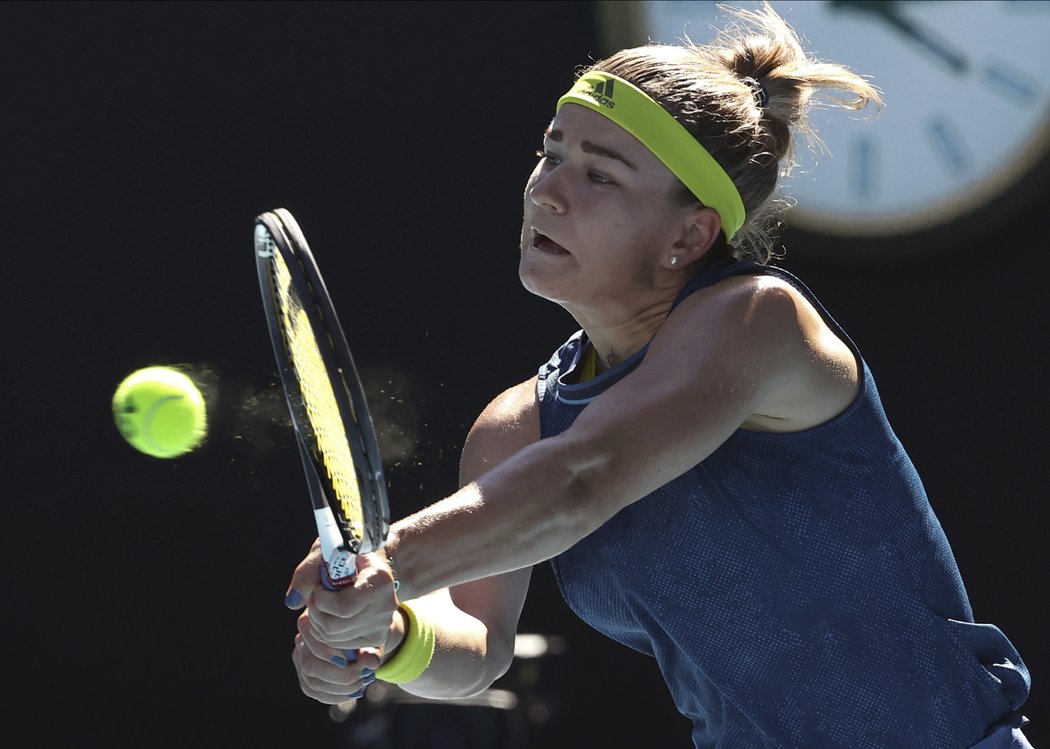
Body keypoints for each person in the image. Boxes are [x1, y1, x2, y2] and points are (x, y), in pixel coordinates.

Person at [284, 4, 1033, 747]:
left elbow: (586, 475)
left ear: (689, 234)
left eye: (599, 176)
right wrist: (392, 627)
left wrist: (388, 561)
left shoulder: (759, 322)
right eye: (551, 153)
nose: (547, 191)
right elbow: (479, 641)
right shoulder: (515, 429)